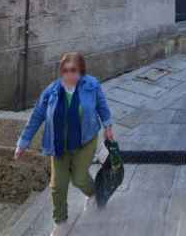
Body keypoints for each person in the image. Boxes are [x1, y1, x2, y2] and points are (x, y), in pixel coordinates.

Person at [15, 52, 114, 236]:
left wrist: (108, 126)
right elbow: (37, 115)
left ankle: (93, 194)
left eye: (74, 70)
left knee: (79, 178)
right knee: (57, 185)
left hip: (85, 140)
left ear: (81, 71)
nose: (69, 74)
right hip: (59, 145)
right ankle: (61, 222)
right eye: (65, 70)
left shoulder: (91, 86)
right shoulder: (52, 91)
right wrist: (23, 142)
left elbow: (102, 106)